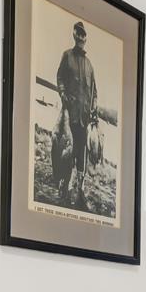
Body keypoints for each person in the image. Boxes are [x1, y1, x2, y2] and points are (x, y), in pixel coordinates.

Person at [52, 20, 98, 203]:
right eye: (78, 32)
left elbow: (95, 92)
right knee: (65, 153)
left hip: (83, 120)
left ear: (86, 38)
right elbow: (60, 77)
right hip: (69, 115)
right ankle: (62, 186)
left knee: (81, 155)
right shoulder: (67, 56)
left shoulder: (90, 66)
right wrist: (62, 93)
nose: (80, 36)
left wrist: (94, 111)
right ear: (73, 34)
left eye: (83, 34)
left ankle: (79, 190)